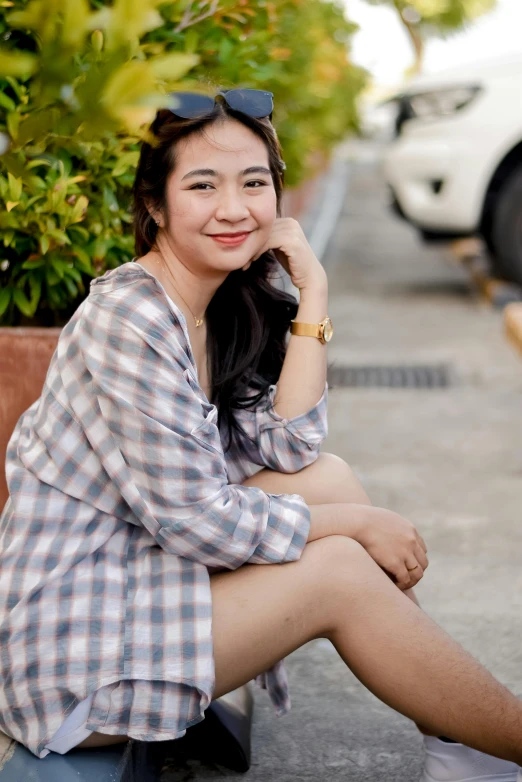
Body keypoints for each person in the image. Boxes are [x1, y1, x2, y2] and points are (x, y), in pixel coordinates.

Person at [0, 88, 521, 782]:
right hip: (71, 652)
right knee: (337, 568)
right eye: (203, 185)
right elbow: (195, 521)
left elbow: (291, 451)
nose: (234, 208)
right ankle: (496, 737)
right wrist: (358, 525)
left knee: (327, 478)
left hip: (138, 573)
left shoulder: (212, 305)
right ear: (154, 206)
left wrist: (313, 298)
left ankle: (461, 739)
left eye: (254, 183)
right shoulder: (128, 319)